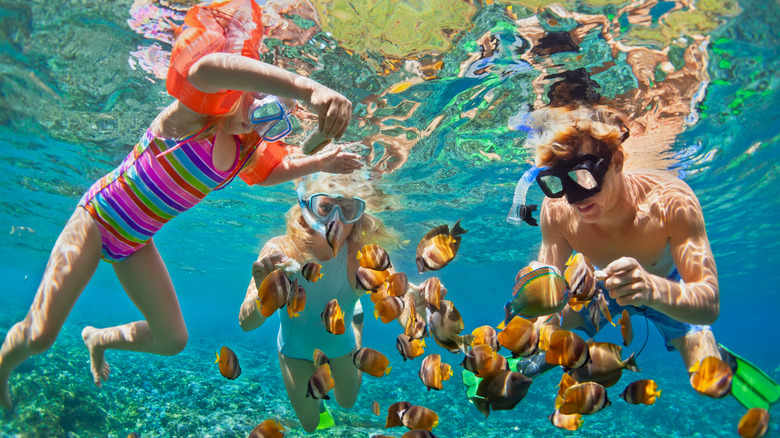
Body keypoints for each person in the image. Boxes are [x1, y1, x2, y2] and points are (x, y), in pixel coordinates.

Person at [0, 0, 364, 411]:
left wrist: (322, 162)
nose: (257, 113)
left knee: (173, 340)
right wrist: (306, 88)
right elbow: (204, 70)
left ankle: (98, 338)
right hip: (98, 219)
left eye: (268, 110)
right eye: (254, 96)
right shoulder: (192, 117)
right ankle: (1, 367)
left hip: (135, 241)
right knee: (40, 335)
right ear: (240, 83)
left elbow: (272, 172)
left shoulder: (245, 150)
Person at [512, 103, 778, 410]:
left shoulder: (671, 202)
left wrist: (652, 290)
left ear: (618, 162)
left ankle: (718, 357)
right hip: (597, 288)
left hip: (667, 287)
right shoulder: (556, 210)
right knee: (541, 337)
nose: (574, 197)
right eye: (557, 182)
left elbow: (709, 304)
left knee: (706, 377)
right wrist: (537, 309)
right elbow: (549, 293)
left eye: (584, 176)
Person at [238, 171, 400, 432]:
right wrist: (263, 296)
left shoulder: (361, 253)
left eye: (347, 209)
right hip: (295, 351)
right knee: (312, 425)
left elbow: (396, 293)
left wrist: (417, 300)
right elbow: (246, 323)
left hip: (341, 342)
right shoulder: (281, 250)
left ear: (358, 216)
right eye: (325, 207)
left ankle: (356, 327)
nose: (335, 219)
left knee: (347, 403)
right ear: (306, 207)